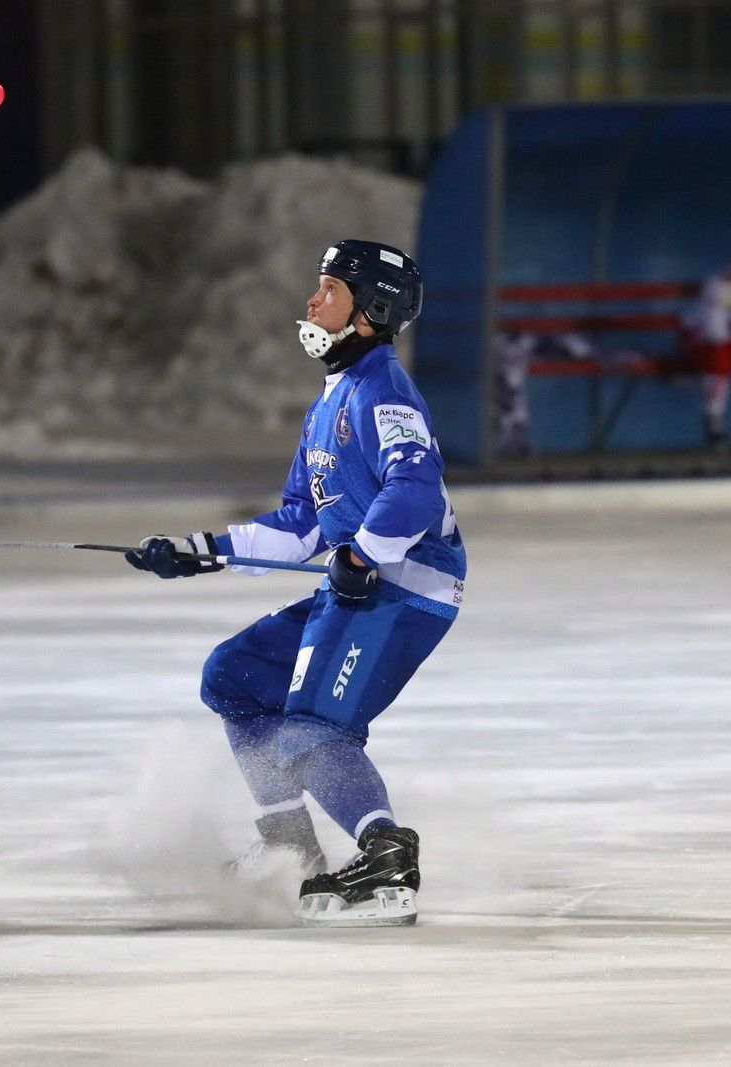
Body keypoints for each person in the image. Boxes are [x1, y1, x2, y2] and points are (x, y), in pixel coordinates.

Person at [126, 240, 465, 927]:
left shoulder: (383, 393)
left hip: (407, 586)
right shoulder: (331, 400)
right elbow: (300, 522)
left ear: (370, 310)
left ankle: (386, 853)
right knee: (234, 675)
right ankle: (291, 846)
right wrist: (203, 551)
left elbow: (416, 488)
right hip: (362, 582)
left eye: (329, 290)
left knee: (308, 725)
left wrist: (365, 553)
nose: (312, 302)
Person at [682, 266, 731, 451]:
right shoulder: (719, 284)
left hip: (720, 342)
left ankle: (696, 384)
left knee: (722, 360)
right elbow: (714, 328)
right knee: (721, 361)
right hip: (701, 339)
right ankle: (713, 419)